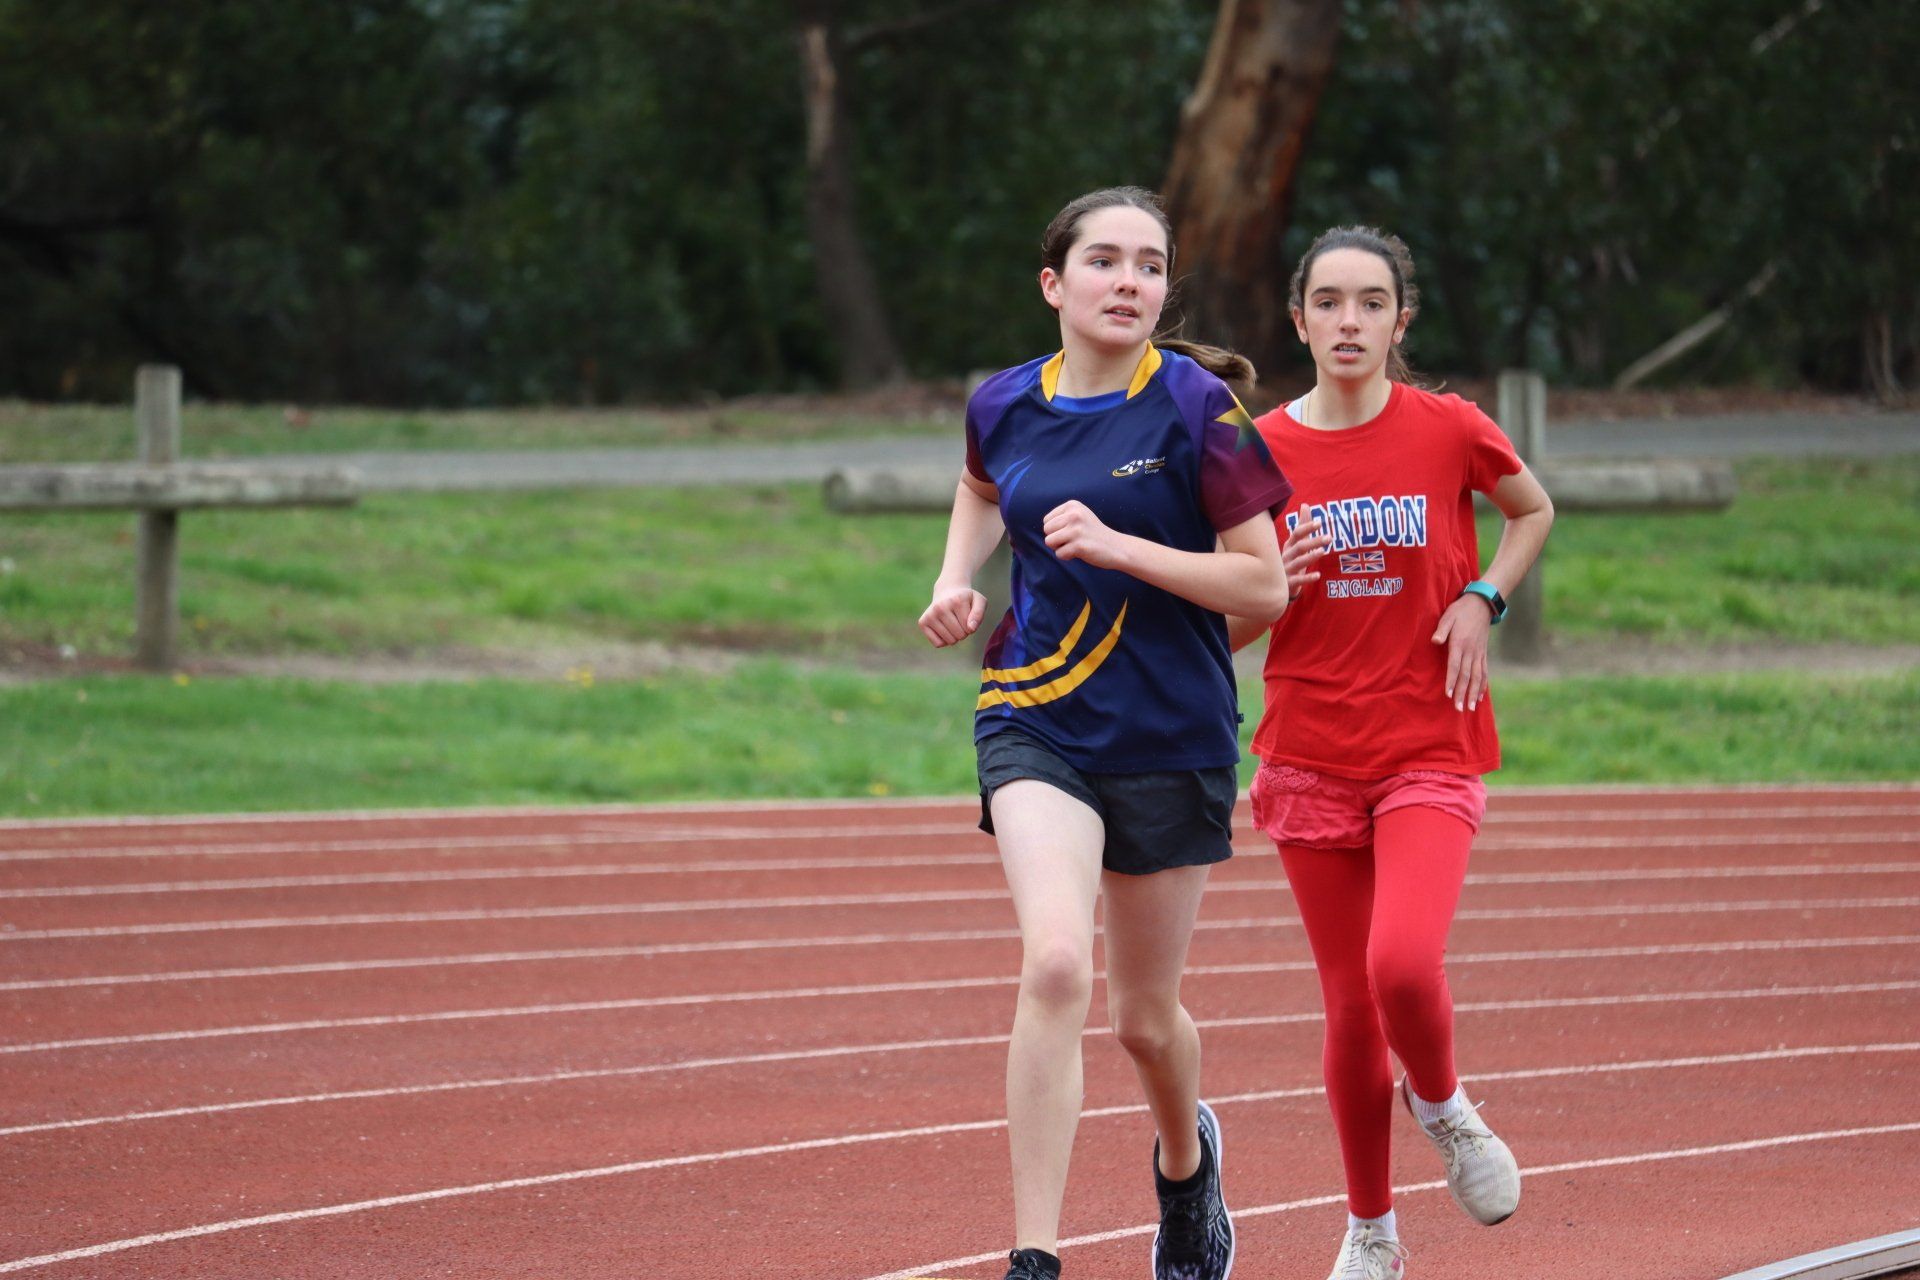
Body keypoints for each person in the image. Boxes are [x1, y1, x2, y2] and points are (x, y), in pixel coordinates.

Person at [918, 186, 1295, 1280]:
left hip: (1171, 727)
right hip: (1034, 711)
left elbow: (1264, 586)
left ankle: (1186, 1167)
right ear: (1055, 283)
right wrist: (954, 577)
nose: (1129, 281)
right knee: (1053, 962)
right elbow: (979, 486)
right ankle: (1035, 1256)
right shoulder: (1002, 401)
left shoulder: (1197, 407)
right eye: (1105, 261)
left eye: (1150, 265)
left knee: (1143, 1018)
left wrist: (1127, 548)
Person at [1231, 226, 1554, 1280]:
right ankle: (1372, 1230)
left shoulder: (1448, 427)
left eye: (1371, 302)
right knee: (1348, 1006)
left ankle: (1446, 1105)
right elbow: (1224, 626)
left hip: (1428, 739)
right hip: (1310, 750)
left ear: (1399, 320)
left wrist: (1484, 595)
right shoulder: (1256, 452)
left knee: (1402, 964)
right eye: (1328, 302)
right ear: (1298, 321)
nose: (1349, 321)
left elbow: (1532, 509)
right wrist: (1272, 584)